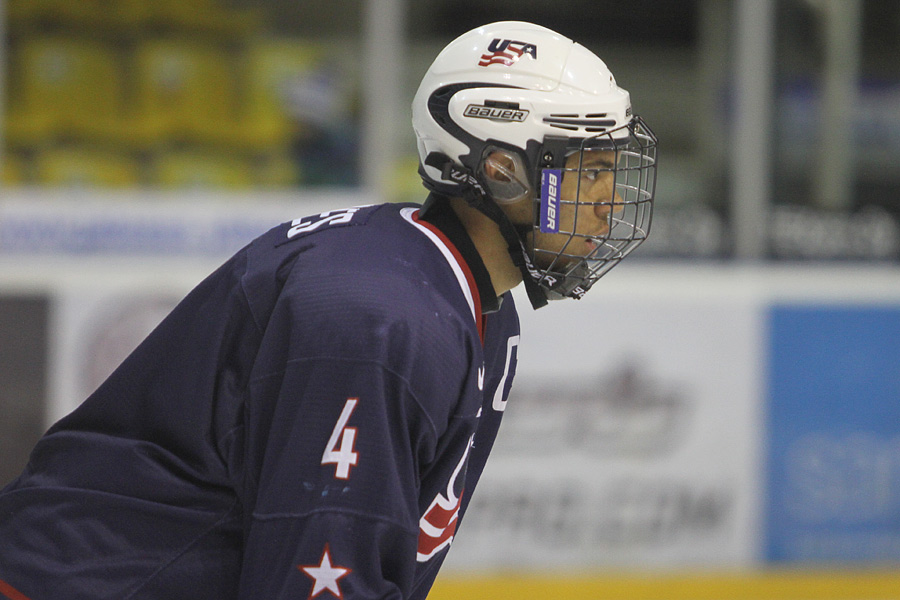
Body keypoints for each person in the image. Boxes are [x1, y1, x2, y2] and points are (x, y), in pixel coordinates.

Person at [0, 21, 657, 600]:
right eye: (588, 169)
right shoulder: (376, 316)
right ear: (503, 168)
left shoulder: (463, 299)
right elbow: (317, 570)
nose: (607, 201)